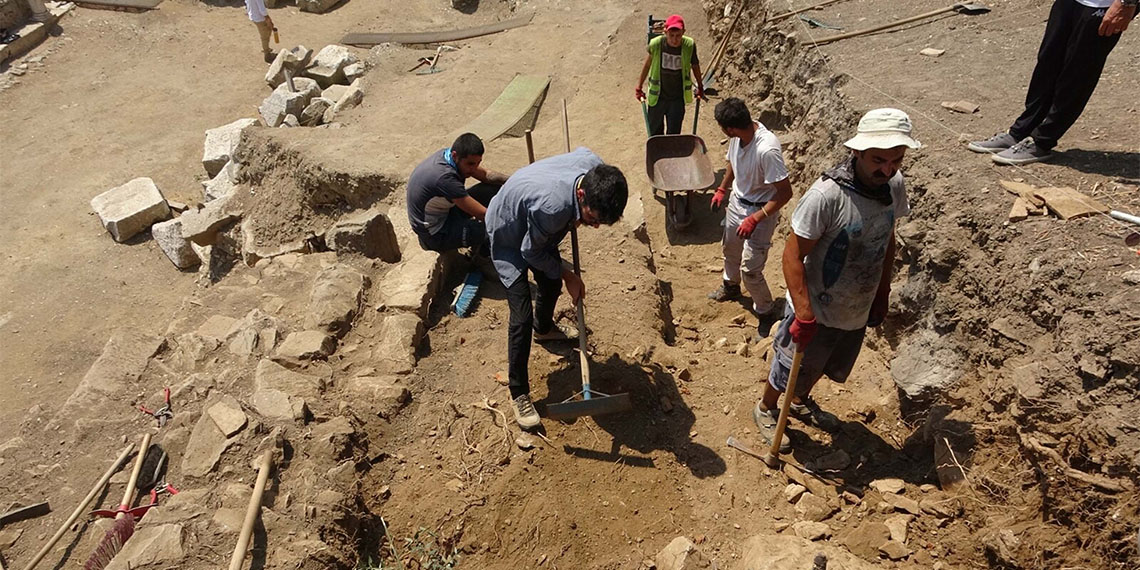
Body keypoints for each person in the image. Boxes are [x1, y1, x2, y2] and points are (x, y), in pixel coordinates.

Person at [754, 109, 919, 452]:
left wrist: (882, 292)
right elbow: (791, 255)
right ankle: (767, 408)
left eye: (896, 160)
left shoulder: (893, 186)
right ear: (857, 152)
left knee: (823, 363)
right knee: (790, 364)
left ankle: (798, 402)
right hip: (816, 306)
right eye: (879, 160)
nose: (887, 169)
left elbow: (887, 237)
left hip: (854, 306)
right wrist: (802, 312)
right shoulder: (827, 196)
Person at [484, 149, 629, 430]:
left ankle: (545, 328)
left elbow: (584, 151)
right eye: (592, 218)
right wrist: (568, 275)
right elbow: (529, 251)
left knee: (549, 280)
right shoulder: (553, 208)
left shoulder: (594, 167)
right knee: (521, 315)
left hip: (537, 224)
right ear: (581, 195)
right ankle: (519, 393)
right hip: (508, 233)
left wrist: (561, 271)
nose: (596, 226)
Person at [967, 0, 1136, 165]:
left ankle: (1042, 141)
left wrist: (1127, 3)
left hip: (1104, 6)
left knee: (1078, 73)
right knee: (1047, 64)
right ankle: (1020, 132)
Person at [706, 98, 794, 337]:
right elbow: (732, 163)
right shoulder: (738, 138)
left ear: (730, 128)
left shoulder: (767, 150)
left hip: (761, 213)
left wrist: (755, 218)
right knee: (730, 249)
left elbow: (785, 193)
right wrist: (722, 189)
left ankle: (766, 312)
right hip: (737, 204)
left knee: (751, 269)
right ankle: (730, 287)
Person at [406, 133, 510, 254]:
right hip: (435, 233)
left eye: (478, 163)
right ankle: (482, 258)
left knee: (492, 189)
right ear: (455, 156)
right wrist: (515, 221)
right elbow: (484, 214)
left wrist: (514, 181)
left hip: (445, 213)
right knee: (497, 229)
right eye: (470, 164)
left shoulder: (449, 156)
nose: (474, 168)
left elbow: (486, 175)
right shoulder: (445, 179)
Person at [635, 14, 706, 136]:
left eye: (678, 36)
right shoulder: (656, 44)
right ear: (665, 32)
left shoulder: (689, 46)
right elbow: (647, 65)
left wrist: (700, 87)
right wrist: (639, 87)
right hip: (658, 97)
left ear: (684, 32)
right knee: (655, 132)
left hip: (676, 98)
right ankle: (658, 153)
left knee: (673, 133)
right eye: (671, 35)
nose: (674, 40)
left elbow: (695, 66)